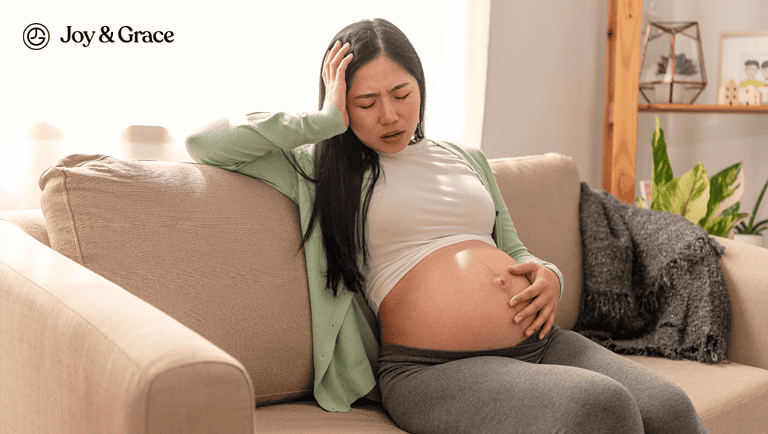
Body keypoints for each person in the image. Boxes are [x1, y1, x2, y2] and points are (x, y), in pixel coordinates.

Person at [186, 18, 707, 434]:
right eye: (366, 102)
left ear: (421, 87)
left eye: (402, 93)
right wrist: (324, 121)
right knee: (599, 407)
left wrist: (548, 274)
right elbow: (206, 143)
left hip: (540, 342)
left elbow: (515, 249)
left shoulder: (464, 158)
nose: (389, 115)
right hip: (433, 369)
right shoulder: (321, 169)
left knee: (671, 409)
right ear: (343, 101)